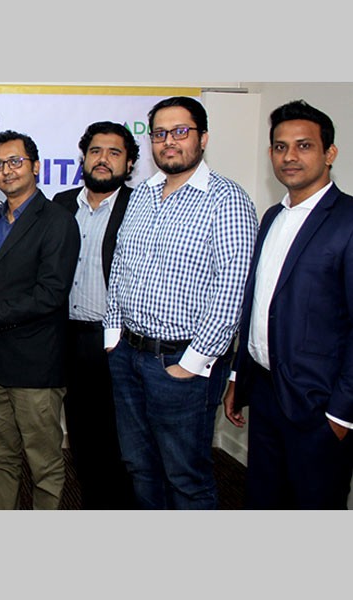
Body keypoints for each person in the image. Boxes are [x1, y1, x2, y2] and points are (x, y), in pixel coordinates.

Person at [103, 96, 258, 509]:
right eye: (159, 133)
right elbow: (121, 265)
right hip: (128, 357)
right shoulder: (142, 195)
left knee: (185, 476)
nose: (169, 141)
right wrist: (113, 335)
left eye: (180, 131)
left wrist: (192, 362)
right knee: (140, 467)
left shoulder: (227, 199)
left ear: (202, 138)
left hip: (181, 364)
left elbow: (232, 288)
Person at [224, 100, 353, 509]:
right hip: (265, 393)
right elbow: (259, 307)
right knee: (263, 501)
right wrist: (238, 377)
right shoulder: (271, 218)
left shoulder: (348, 220)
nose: (290, 156)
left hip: (319, 406)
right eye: (280, 147)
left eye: (304, 145)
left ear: (329, 153)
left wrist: (341, 414)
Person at [0, 130, 80, 510]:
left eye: (14, 161)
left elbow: (50, 294)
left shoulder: (57, 221)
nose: (6, 170)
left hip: (36, 363)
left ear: (35, 166)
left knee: (44, 463)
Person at [52, 121, 138, 509]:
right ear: (84, 158)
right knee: (81, 434)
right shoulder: (61, 204)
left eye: (114, 153)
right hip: (66, 337)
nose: (103, 160)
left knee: (119, 438)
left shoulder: (140, 207)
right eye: (95, 151)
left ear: (129, 163)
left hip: (115, 340)